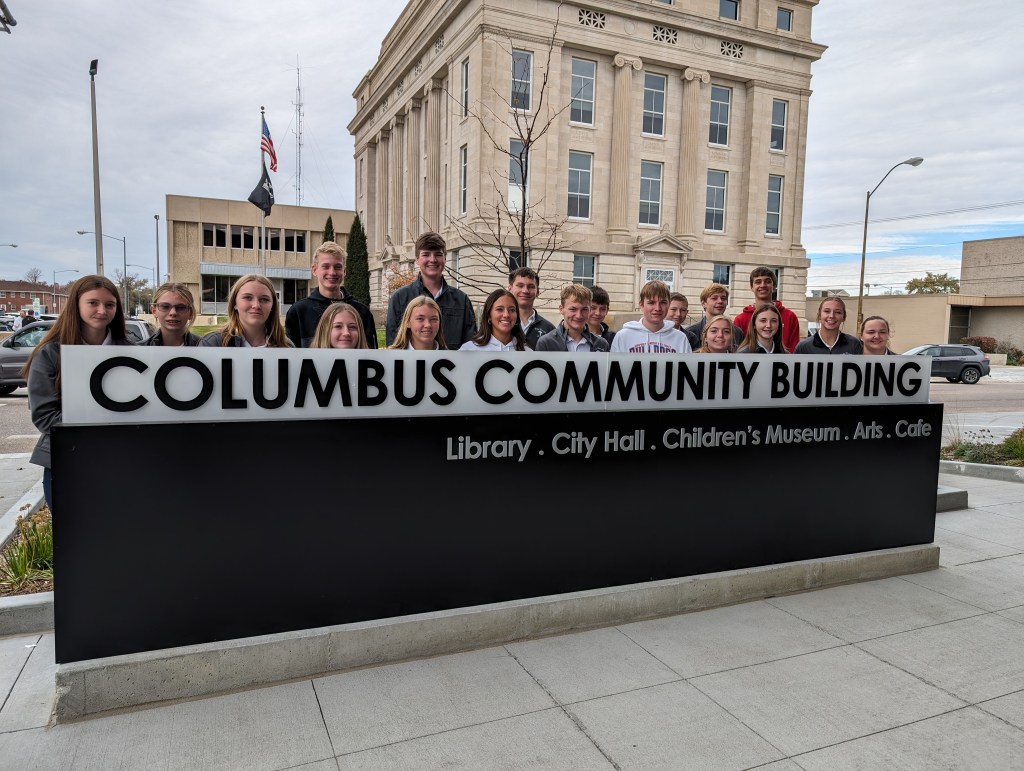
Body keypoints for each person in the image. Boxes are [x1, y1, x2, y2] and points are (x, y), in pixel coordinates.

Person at [22, 275, 132, 511]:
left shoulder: (132, 352)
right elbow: (44, 417)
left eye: (110, 304)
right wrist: (102, 423)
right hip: (68, 459)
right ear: (76, 305)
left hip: (120, 460)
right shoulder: (50, 354)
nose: (102, 310)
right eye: (93, 303)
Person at [386, 232, 476, 349]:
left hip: (452, 361)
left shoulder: (461, 300)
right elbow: (393, 344)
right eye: (426, 254)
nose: (433, 260)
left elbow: (470, 346)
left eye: (438, 254)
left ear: (445, 258)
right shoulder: (400, 298)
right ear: (417, 259)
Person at [285, 242, 377, 348]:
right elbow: (292, 354)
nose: (332, 272)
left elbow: (371, 352)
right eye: (326, 267)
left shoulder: (362, 312)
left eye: (337, 267)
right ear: (314, 270)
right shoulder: (298, 311)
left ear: (344, 271)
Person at [199, 274, 292, 348]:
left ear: (273, 306)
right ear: (234, 303)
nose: (256, 305)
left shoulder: (287, 347)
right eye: (248, 297)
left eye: (264, 299)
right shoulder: (213, 344)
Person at [610, 280, 693, 354]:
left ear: (668, 304)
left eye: (663, 302)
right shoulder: (623, 337)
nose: (658, 308)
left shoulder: (680, 338)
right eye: (651, 303)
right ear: (641, 305)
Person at [733, 267, 801, 353]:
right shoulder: (740, 319)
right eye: (758, 282)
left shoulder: (789, 316)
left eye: (767, 281)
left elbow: (794, 351)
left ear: (774, 286)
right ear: (752, 287)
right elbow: (737, 352)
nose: (763, 285)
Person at [535, 284, 610, 352]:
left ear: (589, 310)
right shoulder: (546, 343)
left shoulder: (601, 344)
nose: (579, 315)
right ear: (561, 309)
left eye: (584, 309)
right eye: (573, 309)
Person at [459, 289, 527, 351]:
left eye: (512, 310)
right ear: (489, 315)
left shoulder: (527, 353)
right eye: (499, 309)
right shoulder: (469, 350)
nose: (506, 315)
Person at [684, 283, 744, 351]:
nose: (720, 301)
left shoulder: (737, 332)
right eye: (714, 298)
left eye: (723, 298)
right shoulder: (691, 332)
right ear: (703, 303)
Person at [794, 296, 863, 355]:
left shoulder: (853, 344)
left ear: (843, 317)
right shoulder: (803, 347)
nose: (832, 316)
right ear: (819, 315)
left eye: (838, 312)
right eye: (827, 311)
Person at [508, 267, 555, 349]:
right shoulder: (502, 324)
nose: (525, 291)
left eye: (531, 286)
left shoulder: (549, 329)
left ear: (538, 291)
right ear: (510, 289)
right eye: (520, 286)